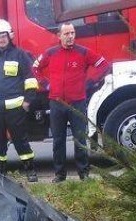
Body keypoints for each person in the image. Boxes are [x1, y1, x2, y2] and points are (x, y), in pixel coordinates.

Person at [33, 23, 109, 182]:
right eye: (66, 33)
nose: (70, 36)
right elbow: (34, 68)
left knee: (80, 139)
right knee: (58, 140)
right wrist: (45, 84)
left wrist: (90, 82)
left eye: (72, 33)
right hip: (56, 103)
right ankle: (60, 175)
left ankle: (84, 174)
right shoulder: (51, 53)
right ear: (59, 36)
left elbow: (103, 65)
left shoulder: (83, 52)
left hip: (77, 103)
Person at [0, 19, 39, 182]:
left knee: (21, 141)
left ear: (9, 36)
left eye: (3, 36)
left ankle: (30, 170)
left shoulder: (20, 55)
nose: (0, 40)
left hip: (16, 108)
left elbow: (30, 79)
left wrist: (27, 102)